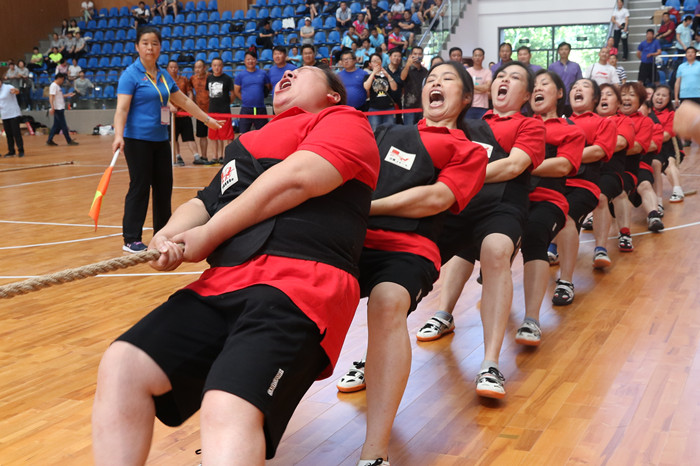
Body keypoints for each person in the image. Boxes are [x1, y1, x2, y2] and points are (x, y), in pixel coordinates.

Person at [92, 64, 380, 466]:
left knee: (227, 404)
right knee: (123, 364)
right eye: (287, 71)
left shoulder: (344, 121)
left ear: (333, 95)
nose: (288, 73)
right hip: (223, 282)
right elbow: (206, 201)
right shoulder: (249, 142)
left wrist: (209, 234)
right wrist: (167, 236)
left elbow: (297, 178)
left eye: (303, 71)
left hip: (303, 287)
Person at [338, 61, 488, 466]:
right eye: (431, 79)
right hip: (350, 237)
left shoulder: (469, 151)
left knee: (388, 302)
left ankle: (374, 452)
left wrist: (367, 209)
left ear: (467, 98)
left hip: (409, 247)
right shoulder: (386, 132)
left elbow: (435, 198)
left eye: (448, 79)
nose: (436, 82)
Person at [416, 62, 545, 399]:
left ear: (527, 95)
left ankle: (489, 363)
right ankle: (435, 319)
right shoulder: (468, 123)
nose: (504, 80)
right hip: (460, 203)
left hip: (503, 206)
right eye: (501, 75)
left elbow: (514, 165)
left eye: (514, 78)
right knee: (408, 256)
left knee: (496, 250)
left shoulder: (530, 125)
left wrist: (460, 176)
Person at [113, 27, 222, 254]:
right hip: (137, 140)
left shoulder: (163, 75)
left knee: (164, 187)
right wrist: (118, 136)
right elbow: (121, 109)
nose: (150, 48)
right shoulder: (130, 75)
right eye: (145, 43)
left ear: (160, 47)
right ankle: (131, 238)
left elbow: (184, 101)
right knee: (140, 186)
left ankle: (162, 234)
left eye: (154, 43)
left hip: (161, 140)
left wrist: (207, 119)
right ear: (137, 47)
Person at [516, 70, 584, 346]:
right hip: (514, 196)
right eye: (534, 85)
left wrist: (520, 165)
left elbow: (563, 166)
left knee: (537, 233)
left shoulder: (570, 128)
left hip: (549, 196)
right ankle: (443, 313)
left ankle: (532, 318)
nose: (537, 89)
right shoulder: (520, 124)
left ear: (559, 93)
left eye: (545, 84)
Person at [548, 78, 615, 305]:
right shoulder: (560, 122)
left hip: (583, 185)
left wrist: (565, 156)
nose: (577, 88)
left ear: (595, 98)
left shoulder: (603, 123)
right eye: (575, 87)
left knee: (566, 217)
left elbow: (598, 151)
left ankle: (566, 281)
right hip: (553, 183)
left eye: (584, 86)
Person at [590, 83, 634, 268]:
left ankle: (601, 248)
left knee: (600, 196)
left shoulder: (623, 121)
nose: (604, 97)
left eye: (609, 94)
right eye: (601, 94)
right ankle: (554, 246)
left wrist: (590, 149)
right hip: (585, 170)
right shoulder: (588, 120)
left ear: (618, 104)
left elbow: (620, 143)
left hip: (611, 172)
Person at [611, 81, 655, 253]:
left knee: (619, 191)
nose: (626, 98)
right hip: (603, 167)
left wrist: (604, 149)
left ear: (640, 101)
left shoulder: (645, 122)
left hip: (628, 169)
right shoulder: (608, 118)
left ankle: (625, 234)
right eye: (623, 94)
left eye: (632, 95)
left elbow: (637, 147)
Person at [650, 85, 685, 205]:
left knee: (670, 163)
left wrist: (647, 142)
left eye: (664, 95)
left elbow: (666, 136)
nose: (660, 97)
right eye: (657, 94)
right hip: (653, 148)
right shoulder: (646, 112)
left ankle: (677, 190)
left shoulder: (672, 114)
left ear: (669, 99)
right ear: (653, 96)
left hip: (670, 148)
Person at [166, 60, 200, 166]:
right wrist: (170, 106)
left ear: (178, 69)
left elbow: (189, 93)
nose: (173, 69)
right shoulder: (164, 81)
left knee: (189, 136)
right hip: (168, 113)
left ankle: (196, 156)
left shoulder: (184, 80)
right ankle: (177, 156)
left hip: (183, 113)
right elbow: (162, 96)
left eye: (175, 67)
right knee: (172, 137)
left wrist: (188, 106)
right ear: (167, 69)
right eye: (171, 67)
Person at [234, 51, 272, 134]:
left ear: (256, 60)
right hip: (246, 109)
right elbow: (236, 91)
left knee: (262, 134)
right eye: (248, 59)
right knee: (243, 134)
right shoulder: (240, 75)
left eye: (252, 59)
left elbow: (268, 87)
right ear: (244, 61)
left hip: (260, 109)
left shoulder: (263, 73)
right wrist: (245, 99)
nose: (250, 61)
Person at [207, 57, 235, 164]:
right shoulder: (209, 78)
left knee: (226, 135)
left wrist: (226, 103)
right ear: (211, 66)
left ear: (222, 66)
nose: (216, 67)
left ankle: (225, 156)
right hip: (212, 111)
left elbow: (232, 94)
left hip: (224, 111)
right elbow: (208, 93)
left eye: (219, 65)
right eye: (214, 65)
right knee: (213, 135)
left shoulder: (227, 79)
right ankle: (215, 156)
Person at [364, 53, 399, 130]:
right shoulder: (368, 76)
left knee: (390, 131)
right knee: (375, 131)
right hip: (374, 108)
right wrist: (373, 73)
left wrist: (387, 75)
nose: (376, 62)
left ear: (381, 62)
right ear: (370, 64)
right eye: (374, 61)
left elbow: (394, 88)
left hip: (389, 108)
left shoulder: (387, 74)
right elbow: (366, 87)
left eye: (378, 60)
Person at [548, 42, 583, 116]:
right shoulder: (552, 67)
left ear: (569, 51)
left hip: (572, 99)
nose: (563, 51)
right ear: (558, 51)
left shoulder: (575, 66)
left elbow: (579, 82)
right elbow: (549, 82)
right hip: (557, 98)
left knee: (572, 119)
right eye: (561, 49)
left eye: (566, 49)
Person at [189, 59, 212, 164]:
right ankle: (204, 156)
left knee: (216, 136)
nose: (197, 69)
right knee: (202, 136)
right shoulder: (192, 79)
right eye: (195, 67)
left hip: (212, 110)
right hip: (200, 112)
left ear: (204, 68)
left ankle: (218, 156)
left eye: (199, 67)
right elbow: (189, 92)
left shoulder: (210, 77)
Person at [46, 73, 78, 147]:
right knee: (63, 125)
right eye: (62, 80)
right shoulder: (54, 86)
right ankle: (69, 140)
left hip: (59, 108)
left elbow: (59, 96)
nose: (62, 81)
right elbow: (51, 97)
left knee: (56, 126)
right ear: (59, 78)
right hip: (58, 108)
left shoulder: (57, 86)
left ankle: (49, 140)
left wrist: (68, 95)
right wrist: (52, 107)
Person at [400, 46, 428, 125]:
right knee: (409, 130)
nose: (417, 56)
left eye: (419, 54)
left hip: (422, 107)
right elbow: (402, 77)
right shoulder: (406, 68)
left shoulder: (425, 71)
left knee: (421, 129)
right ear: (411, 55)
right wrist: (408, 64)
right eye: (415, 54)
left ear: (422, 56)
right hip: (409, 107)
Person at [0, 80, 24, 157]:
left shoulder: (8, 87)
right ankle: (11, 151)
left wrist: (16, 91)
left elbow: (17, 91)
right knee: (8, 134)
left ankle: (21, 150)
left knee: (16, 133)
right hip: (4, 115)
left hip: (13, 114)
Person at [465, 47, 491, 119]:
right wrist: (482, 89)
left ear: (483, 57)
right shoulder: (468, 71)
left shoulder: (487, 72)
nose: (477, 58)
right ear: (472, 57)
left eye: (479, 55)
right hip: (469, 105)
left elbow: (487, 87)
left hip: (483, 106)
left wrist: (471, 87)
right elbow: (466, 88)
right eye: (475, 55)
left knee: (481, 125)